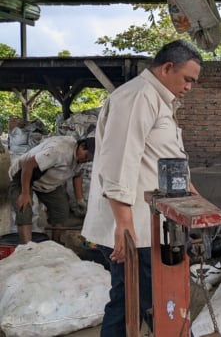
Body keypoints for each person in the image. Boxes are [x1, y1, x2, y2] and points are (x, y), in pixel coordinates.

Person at [81, 39, 203, 336]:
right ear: (166, 68)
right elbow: (119, 161)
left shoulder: (159, 102)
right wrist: (124, 225)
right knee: (148, 303)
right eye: (187, 79)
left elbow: (165, 161)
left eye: (193, 82)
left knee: (129, 302)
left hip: (155, 225)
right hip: (137, 227)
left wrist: (196, 198)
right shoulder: (138, 97)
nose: (189, 87)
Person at [8, 135, 95, 244]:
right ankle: (27, 248)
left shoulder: (82, 159)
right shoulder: (59, 150)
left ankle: (56, 242)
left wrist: (80, 199)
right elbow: (28, 165)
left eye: (89, 159)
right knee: (24, 208)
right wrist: (25, 193)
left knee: (61, 210)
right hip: (23, 175)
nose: (86, 160)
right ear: (82, 146)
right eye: (86, 156)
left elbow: (78, 176)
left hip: (47, 183)